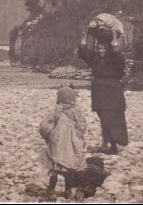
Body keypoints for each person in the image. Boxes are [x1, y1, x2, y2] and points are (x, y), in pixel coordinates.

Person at [77, 20, 129, 155]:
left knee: (113, 116)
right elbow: (83, 53)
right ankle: (110, 144)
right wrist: (84, 39)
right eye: (99, 48)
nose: (100, 50)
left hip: (112, 90)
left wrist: (115, 41)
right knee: (103, 117)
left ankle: (113, 145)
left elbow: (119, 58)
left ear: (107, 49)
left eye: (103, 48)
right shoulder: (94, 58)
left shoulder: (114, 59)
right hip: (99, 91)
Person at [39, 86, 87, 198]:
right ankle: (68, 190)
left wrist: (48, 137)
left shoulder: (57, 109)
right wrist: (78, 137)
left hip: (57, 143)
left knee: (54, 168)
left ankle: (51, 190)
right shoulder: (76, 111)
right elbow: (82, 126)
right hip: (71, 144)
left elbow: (47, 125)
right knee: (69, 169)